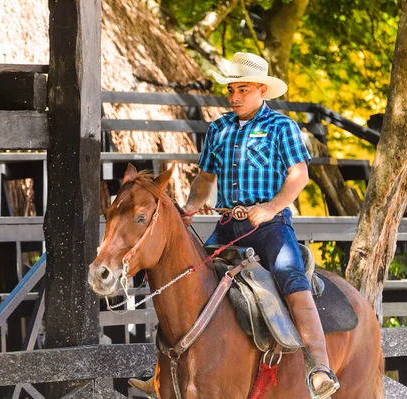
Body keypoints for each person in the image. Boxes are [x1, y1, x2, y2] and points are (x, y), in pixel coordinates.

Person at [130, 52, 339, 398]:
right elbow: (205, 178)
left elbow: (299, 176)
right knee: (184, 278)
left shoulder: (281, 127)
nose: (234, 97)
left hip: (271, 226)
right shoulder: (218, 129)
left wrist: (270, 208)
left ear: (260, 89)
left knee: (290, 274)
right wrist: (191, 207)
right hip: (227, 225)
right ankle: (161, 370)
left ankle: (319, 366)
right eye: (231, 91)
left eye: (242, 89)